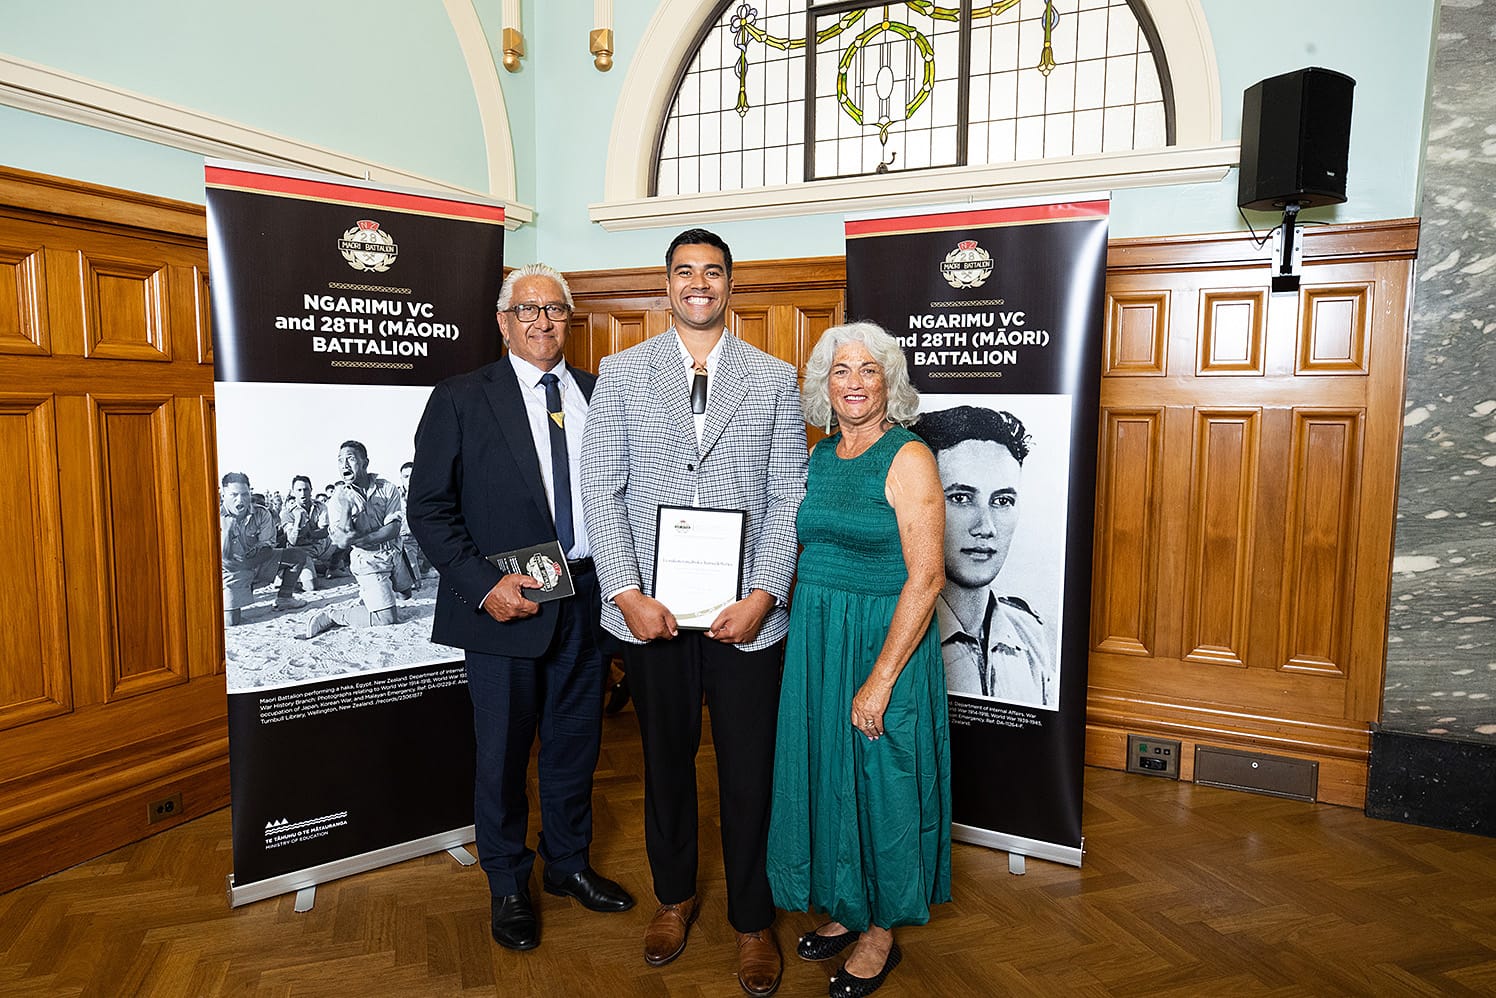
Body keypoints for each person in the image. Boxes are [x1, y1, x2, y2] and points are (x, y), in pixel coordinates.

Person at [580, 228, 807, 997]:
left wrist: (764, 594)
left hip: (747, 618)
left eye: (712, 272)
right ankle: (673, 898)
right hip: (654, 615)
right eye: (685, 272)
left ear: (730, 285)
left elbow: (790, 494)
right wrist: (625, 593)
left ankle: (753, 920)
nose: (699, 284)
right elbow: (601, 489)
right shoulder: (623, 373)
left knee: (749, 774)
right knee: (666, 766)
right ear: (667, 284)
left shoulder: (773, 378)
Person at [407, 262, 633, 953]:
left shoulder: (598, 394)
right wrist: (484, 586)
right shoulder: (460, 398)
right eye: (528, 310)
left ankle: (567, 865)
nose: (542, 322)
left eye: (555, 310)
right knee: (503, 756)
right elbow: (429, 510)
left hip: (588, 598)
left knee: (575, 747)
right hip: (507, 604)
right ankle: (507, 883)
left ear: (570, 320)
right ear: (504, 322)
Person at [766, 322, 950, 998]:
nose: (853, 382)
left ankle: (880, 932)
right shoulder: (820, 456)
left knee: (883, 780)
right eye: (840, 370)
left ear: (888, 383)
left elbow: (927, 577)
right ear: (824, 384)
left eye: (868, 370)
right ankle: (849, 905)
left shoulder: (909, 456)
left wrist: (880, 679)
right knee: (831, 774)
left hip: (883, 642)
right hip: (818, 639)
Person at [912, 406, 1055, 707]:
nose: (986, 527)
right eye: (961, 498)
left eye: (1002, 501)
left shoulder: (1030, 634)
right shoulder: (895, 629)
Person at [301, 441, 408, 636]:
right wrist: (346, 509)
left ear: (365, 463)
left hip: (395, 552)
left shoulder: (387, 488)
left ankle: (368, 598)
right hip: (368, 560)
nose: (344, 465)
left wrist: (360, 538)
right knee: (386, 618)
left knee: (405, 594)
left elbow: (393, 529)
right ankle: (333, 615)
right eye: (340, 460)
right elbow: (342, 541)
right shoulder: (337, 499)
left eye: (350, 459)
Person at [219, 471, 308, 625]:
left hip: (253, 563)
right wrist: (226, 533)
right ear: (223, 495)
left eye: (245, 494)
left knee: (297, 556)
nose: (240, 500)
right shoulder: (211, 517)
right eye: (234, 495)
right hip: (227, 572)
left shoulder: (261, 513)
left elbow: (267, 549)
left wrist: (246, 565)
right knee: (230, 621)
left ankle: (285, 598)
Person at [280, 474, 333, 585]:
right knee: (311, 585)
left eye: (306, 489)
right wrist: (298, 520)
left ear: (311, 490)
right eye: (299, 490)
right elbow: (293, 541)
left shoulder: (320, 506)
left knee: (342, 538)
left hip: (320, 547)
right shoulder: (287, 512)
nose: (303, 493)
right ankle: (314, 568)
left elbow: (324, 531)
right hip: (300, 551)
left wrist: (308, 534)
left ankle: (333, 568)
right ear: (293, 492)